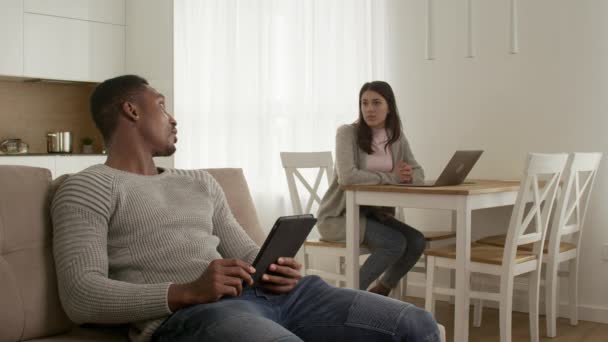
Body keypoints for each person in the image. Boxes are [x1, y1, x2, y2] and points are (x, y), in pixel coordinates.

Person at [51, 75, 440, 342]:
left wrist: (275, 268)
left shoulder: (198, 181)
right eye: (162, 105)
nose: (173, 118)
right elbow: (80, 296)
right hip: (197, 316)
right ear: (132, 111)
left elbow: (246, 252)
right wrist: (187, 292)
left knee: (417, 324)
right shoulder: (86, 187)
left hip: (284, 296)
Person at [317, 81, 427, 296]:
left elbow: (420, 174)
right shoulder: (347, 133)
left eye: (376, 103)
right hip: (339, 218)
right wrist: (392, 177)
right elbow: (347, 177)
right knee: (394, 243)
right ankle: (345, 298)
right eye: (364, 103)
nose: (369, 109)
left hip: (374, 216)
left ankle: (380, 291)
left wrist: (408, 175)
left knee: (416, 241)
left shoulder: (396, 139)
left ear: (389, 107)